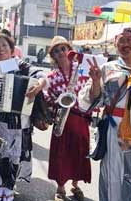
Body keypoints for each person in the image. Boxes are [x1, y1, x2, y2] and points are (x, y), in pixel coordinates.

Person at [0, 33, 48, 201]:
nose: (1, 49)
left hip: (21, 120)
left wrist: (38, 86)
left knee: (15, 156)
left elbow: (42, 76)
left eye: (4, 46)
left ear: (11, 49)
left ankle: (8, 187)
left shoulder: (22, 66)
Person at [78, 27, 131, 200]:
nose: (125, 44)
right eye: (121, 40)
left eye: (130, 39)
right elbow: (91, 100)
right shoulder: (107, 68)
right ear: (115, 44)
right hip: (112, 127)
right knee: (110, 173)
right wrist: (95, 81)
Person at [44, 36, 91, 201]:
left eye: (63, 48)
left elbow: (91, 91)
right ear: (53, 55)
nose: (61, 53)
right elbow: (46, 97)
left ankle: (75, 184)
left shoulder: (82, 70)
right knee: (61, 154)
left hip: (80, 118)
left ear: (69, 49)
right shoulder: (51, 77)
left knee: (79, 152)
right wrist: (54, 102)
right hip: (62, 120)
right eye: (56, 51)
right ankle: (61, 187)